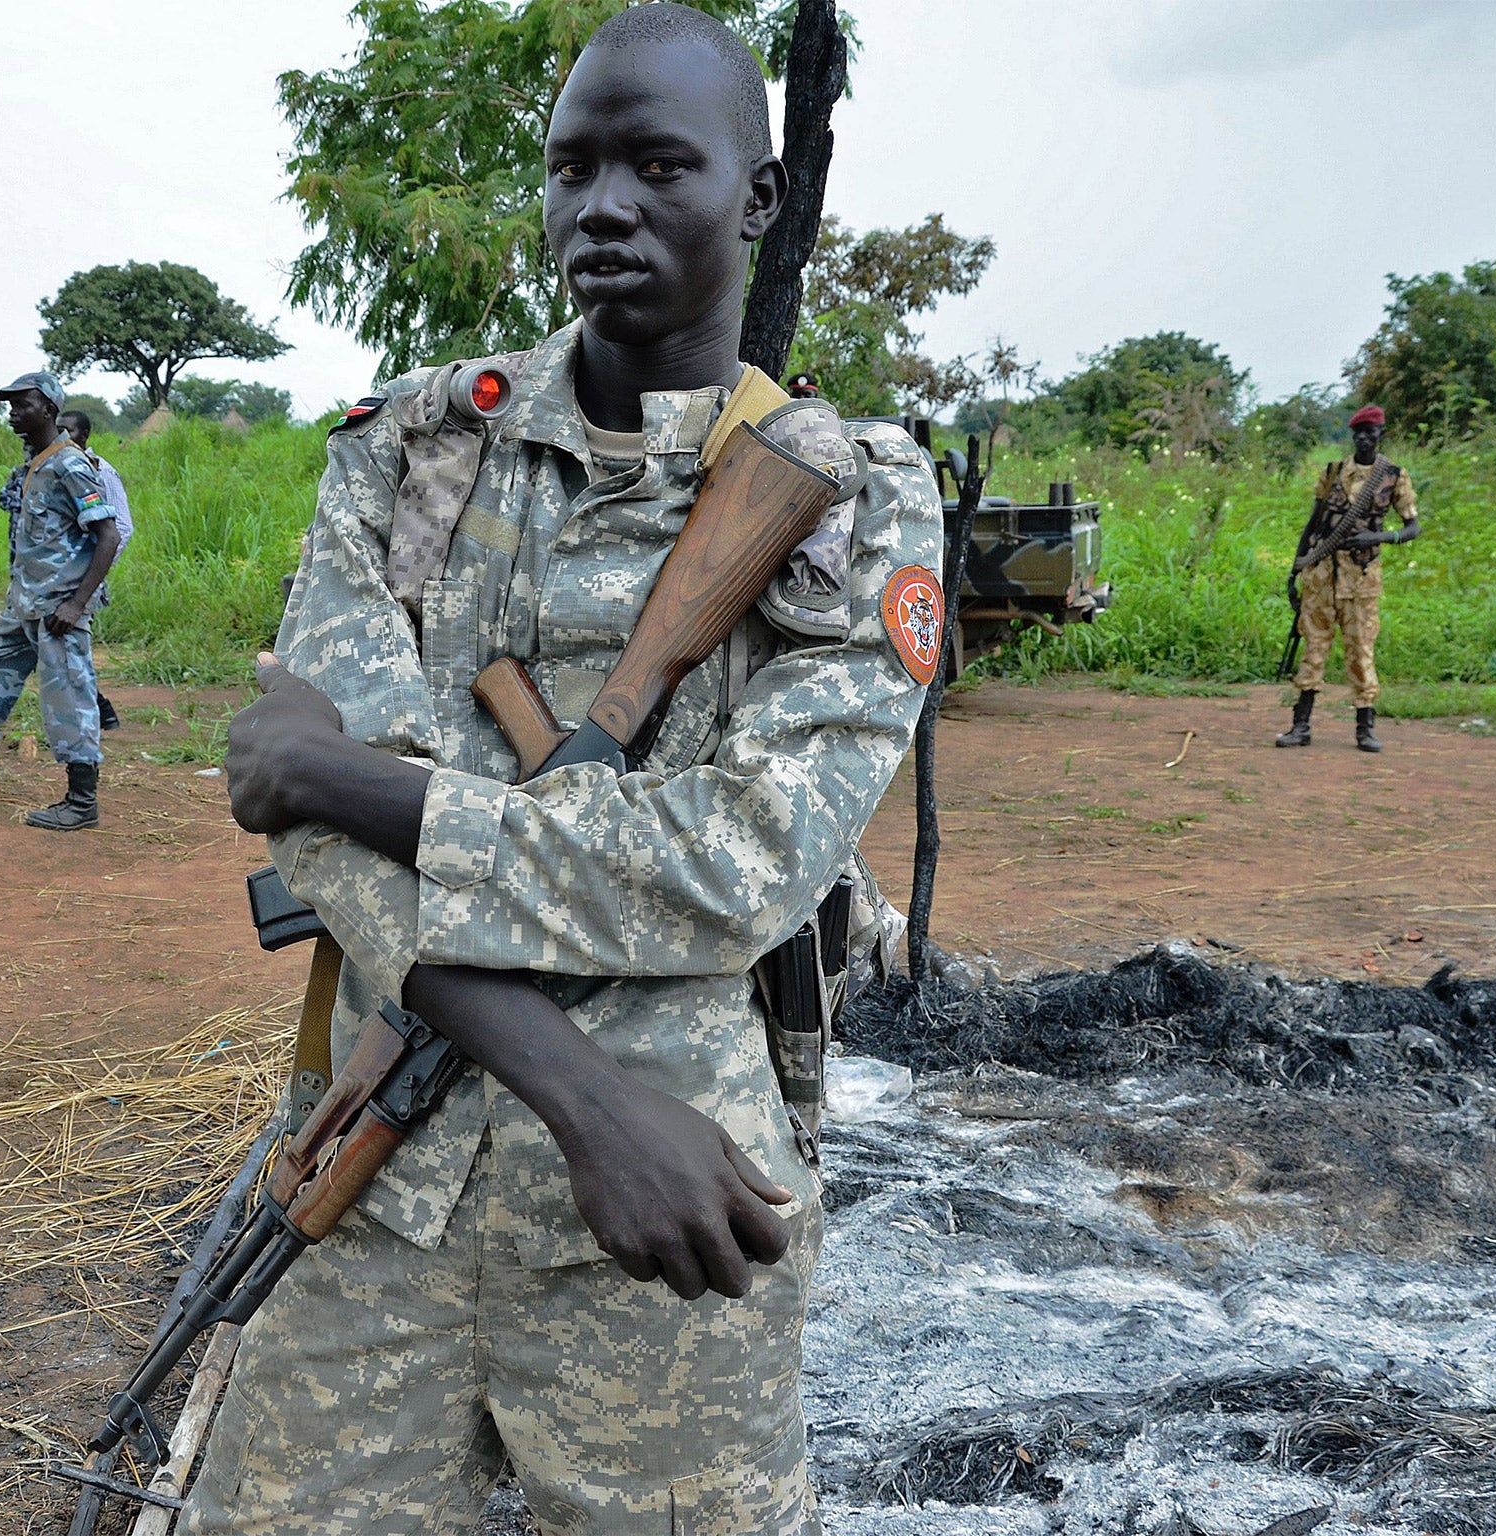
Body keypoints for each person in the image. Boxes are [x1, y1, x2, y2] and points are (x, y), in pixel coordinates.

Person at [185, 6, 942, 1532]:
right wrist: (579, 1087)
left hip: (678, 1212)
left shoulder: (856, 500)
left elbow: (735, 866)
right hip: (380, 1170)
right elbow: (306, 833)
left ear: (761, 196)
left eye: (660, 165)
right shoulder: (411, 450)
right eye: (572, 168)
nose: (604, 208)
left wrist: (367, 788)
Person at [0, 373, 120, 828]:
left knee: (68, 697)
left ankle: (82, 802)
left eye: (22, 405)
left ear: (48, 408)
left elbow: (108, 536)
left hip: (59, 608)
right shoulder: (32, 465)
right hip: (24, 602)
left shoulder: (70, 464)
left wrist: (76, 604)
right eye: (10, 406)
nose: (13, 414)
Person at [1277, 403, 1420, 752]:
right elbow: (1314, 521)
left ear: (1380, 435)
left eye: (1370, 433)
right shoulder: (1334, 470)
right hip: (1321, 576)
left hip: (1362, 581)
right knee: (1313, 650)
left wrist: (1379, 537)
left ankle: (1364, 730)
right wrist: (1296, 567)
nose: (1363, 439)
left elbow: (1413, 528)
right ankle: (1300, 726)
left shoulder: (1394, 476)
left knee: (1360, 654)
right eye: (1358, 433)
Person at [55, 407, 132, 732]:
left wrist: (92, 574)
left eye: (68, 431)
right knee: (65, 651)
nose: (61, 437)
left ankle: (96, 716)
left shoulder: (100, 471)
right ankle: (100, 712)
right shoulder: (55, 466)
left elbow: (122, 529)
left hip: (82, 583)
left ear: (83, 436)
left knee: (70, 650)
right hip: (55, 581)